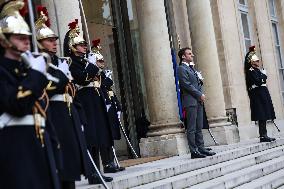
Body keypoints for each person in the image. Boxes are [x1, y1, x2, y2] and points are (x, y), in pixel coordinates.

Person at [0, 1, 60, 188]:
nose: (27, 40)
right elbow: (17, 105)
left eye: (27, 36)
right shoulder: (3, 71)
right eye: (19, 37)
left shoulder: (26, 70)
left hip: (38, 151)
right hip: (15, 154)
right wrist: (36, 75)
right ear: (4, 40)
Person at [35, 6, 96, 189]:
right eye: (49, 40)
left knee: (71, 165)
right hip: (54, 116)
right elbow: (47, 88)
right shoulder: (39, 62)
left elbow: (72, 91)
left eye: (54, 39)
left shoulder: (59, 62)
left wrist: (80, 117)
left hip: (69, 115)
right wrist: (62, 77)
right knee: (61, 166)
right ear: (39, 42)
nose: (54, 43)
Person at [63, 19, 113, 184]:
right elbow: (84, 79)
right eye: (81, 44)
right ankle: (92, 173)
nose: (85, 47)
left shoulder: (84, 61)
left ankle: (97, 171)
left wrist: (92, 65)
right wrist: (92, 66)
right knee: (91, 138)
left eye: (85, 44)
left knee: (98, 137)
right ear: (73, 47)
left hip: (94, 100)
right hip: (85, 101)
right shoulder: (72, 63)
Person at [92, 39, 125, 172]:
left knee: (110, 136)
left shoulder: (103, 74)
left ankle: (112, 161)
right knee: (104, 137)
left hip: (109, 106)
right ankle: (107, 163)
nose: (102, 63)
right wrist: (106, 80)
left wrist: (117, 105)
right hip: (101, 107)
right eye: (99, 61)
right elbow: (102, 86)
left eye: (102, 61)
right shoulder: (95, 75)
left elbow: (110, 91)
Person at [177, 47, 216, 159]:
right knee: (192, 127)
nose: (192, 55)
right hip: (190, 101)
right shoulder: (181, 68)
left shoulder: (191, 68)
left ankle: (201, 148)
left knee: (199, 126)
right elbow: (186, 84)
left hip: (197, 101)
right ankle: (193, 151)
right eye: (189, 54)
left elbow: (197, 84)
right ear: (183, 56)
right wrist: (199, 95)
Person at [244, 46, 276, 142]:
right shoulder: (251, 71)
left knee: (265, 114)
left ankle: (264, 134)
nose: (258, 62)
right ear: (252, 62)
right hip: (257, 94)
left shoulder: (257, 70)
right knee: (261, 114)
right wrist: (264, 75)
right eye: (256, 61)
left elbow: (261, 80)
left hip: (262, 93)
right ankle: (263, 135)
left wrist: (262, 76)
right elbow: (258, 82)